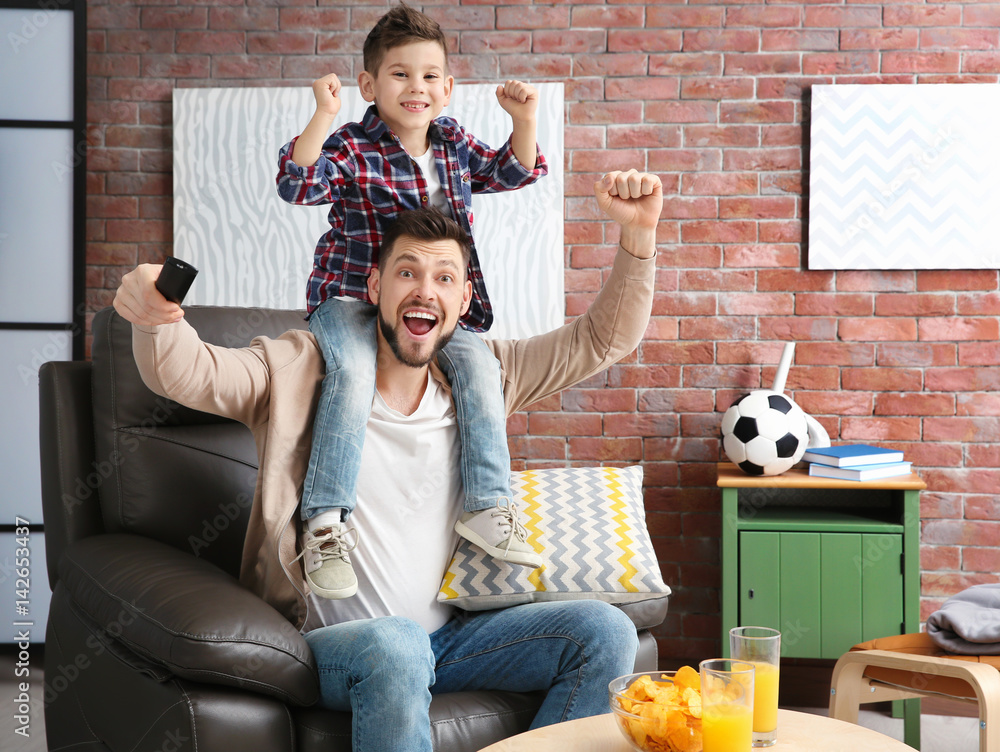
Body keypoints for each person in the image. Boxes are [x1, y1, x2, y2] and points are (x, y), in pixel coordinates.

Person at [114, 169, 662, 752]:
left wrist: (638, 238)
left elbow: (601, 341)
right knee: (396, 644)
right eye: (408, 273)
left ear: (463, 299)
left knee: (604, 629)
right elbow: (191, 373)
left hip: (449, 642)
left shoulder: (484, 379)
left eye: (444, 278)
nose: (425, 290)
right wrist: (156, 318)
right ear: (375, 286)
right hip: (331, 647)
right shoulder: (300, 369)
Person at [276, 3, 548, 599]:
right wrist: (322, 116)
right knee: (350, 373)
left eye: (429, 76)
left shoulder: (452, 142)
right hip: (352, 298)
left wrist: (524, 119)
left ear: (447, 88)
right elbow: (298, 184)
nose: (416, 88)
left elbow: (513, 171)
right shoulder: (352, 145)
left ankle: (486, 504)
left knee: (480, 366)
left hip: (427, 309)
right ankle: (324, 523)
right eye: (399, 75)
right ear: (370, 86)